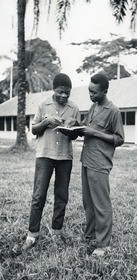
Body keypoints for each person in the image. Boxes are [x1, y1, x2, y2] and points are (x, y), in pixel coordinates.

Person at [22, 73, 79, 251]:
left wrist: (71, 127)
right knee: (39, 196)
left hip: (64, 157)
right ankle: (32, 234)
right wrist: (47, 121)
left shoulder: (74, 107)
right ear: (54, 89)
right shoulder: (42, 104)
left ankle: (57, 231)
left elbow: (76, 134)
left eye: (67, 93)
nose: (64, 96)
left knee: (61, 197)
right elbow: (34, 129)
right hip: (45, 155)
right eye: (61, 92)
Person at [78, 73, 124, 256]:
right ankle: (90, 235)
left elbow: (119, 139)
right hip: (86, 159)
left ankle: (103, 244)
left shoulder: (113, 111)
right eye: (89, 91)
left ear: (104, 91)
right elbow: (87, 127)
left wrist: (94, 133)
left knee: (101, 203)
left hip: (99, 162)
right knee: (88, 201)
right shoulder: (93, 107)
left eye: (94, 92)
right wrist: (76, 126)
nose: (91, 95)